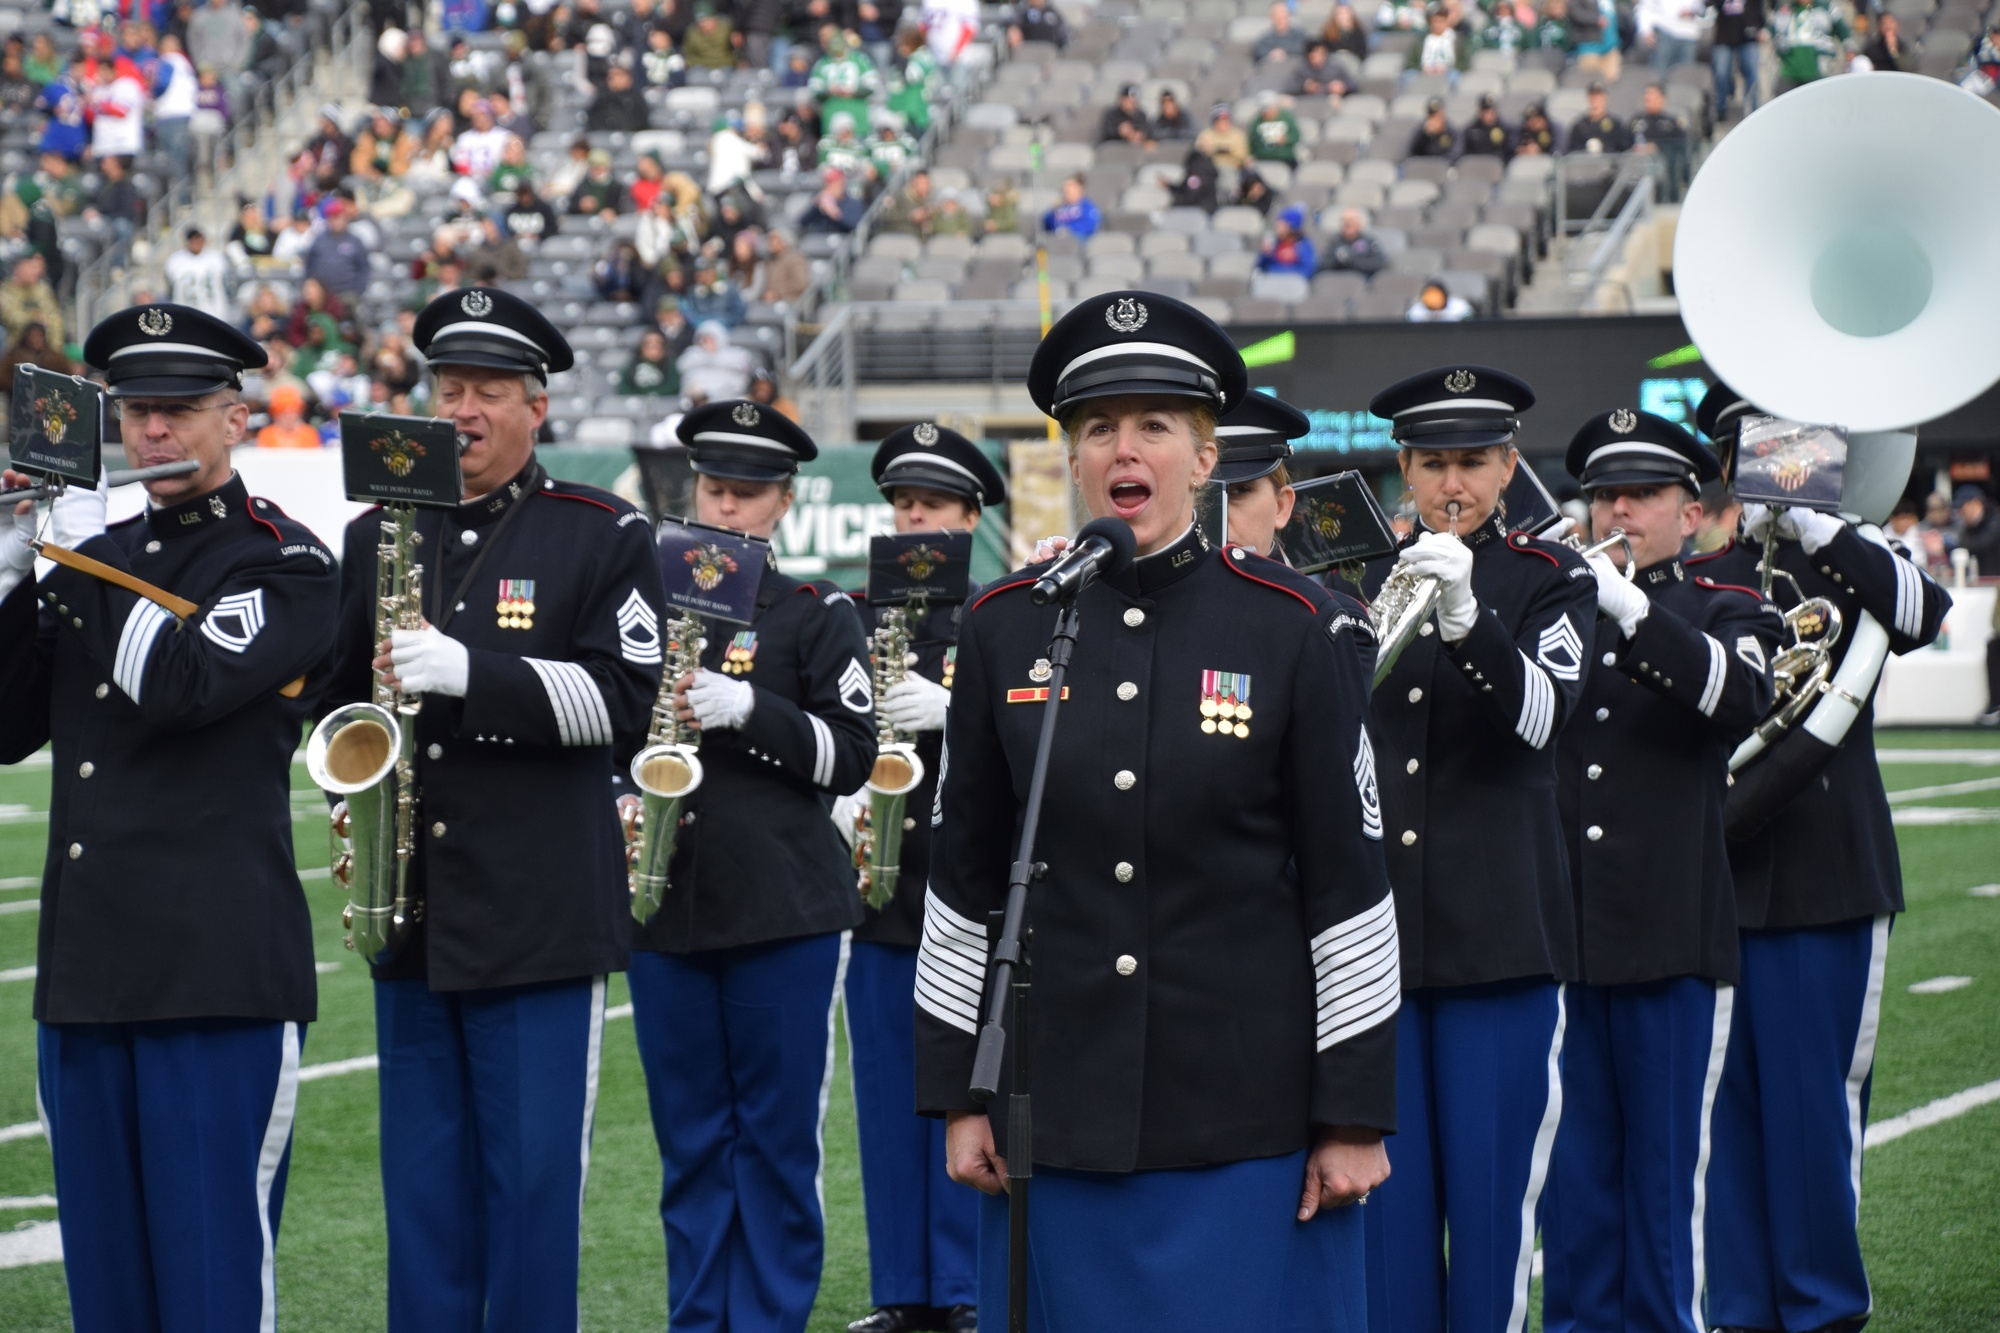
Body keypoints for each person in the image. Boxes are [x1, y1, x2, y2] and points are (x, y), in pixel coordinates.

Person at [919, 291, 1396, 1333]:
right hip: (1057, 1111)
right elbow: (962, 876)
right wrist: (960, 1092)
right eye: (1096, 428)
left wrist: (1352, 1114)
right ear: (1072, 457)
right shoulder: (1005, 628)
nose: (1120, 448)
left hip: (1247, 1109)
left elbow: (1349, 889)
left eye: (1152, 426)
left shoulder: (1293, 627)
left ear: (1203, 453)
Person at [320, 286, 664, 1331]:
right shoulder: (379, 532)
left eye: (486, 391)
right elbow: (337, 697)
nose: (460, 409)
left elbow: (625, 703)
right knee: (422, 1198)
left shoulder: (599, 532)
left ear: (536, 408)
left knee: (529, 1197)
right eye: (446, 388)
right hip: (412, 914)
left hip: (537, 918)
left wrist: (474, 669)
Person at [0, 302, 338, 1332]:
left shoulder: (284, 563)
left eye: (180, 410)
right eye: (137, 411)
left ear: (235, 419)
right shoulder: (89, 557)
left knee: (209, 1285)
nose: (154, 432)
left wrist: (75, 557)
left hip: (214, 976)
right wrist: (15, 567)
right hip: (89, 973)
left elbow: (187, 681)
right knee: (109, 1293)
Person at [1688, 381, 1949, 1333]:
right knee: (1725, 1119)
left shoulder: (1852, 560)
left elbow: (1926, 611)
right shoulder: (1708, 568)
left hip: (1824, 878)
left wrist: (1817, 528)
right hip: (1715, 879)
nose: (1767, 473)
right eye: (1753, 457)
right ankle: (1742, 1312)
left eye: (1788, 455)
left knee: (1809, 1115)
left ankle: (1823, 1312)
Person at [623, 398, 875, 1333]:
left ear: (784, 502)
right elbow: (611, 724)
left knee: (773, 1142)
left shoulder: (816, 614)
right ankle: (698, 1319)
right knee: (688, 1142)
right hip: (665, 904)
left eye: (749, 494)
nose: (727, 510)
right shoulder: (641, 606)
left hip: (783, 912)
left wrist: (749, 711)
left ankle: (768, 1319)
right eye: (715, 489)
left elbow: (854, 754)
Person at [1356, 365, 1596, 1333]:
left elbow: (1542, 718)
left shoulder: (1550, 578)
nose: (1450, 484)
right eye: (1430, 464)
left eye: (1470, 462)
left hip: (1499, 943)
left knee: (1492, 1214)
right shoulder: (1361, 580)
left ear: (1506, 468)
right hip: (1378, 948)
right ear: (1402, 471)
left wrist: (1466, 619)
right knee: (1389, 1215)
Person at [1540, 409, 1784, 1332]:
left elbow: (1743, 694)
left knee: (1662, 1187)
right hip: (1567, 938)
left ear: (1692, 514)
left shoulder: (1723, 606)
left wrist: (1635, 612)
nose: (1619, 509)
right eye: (1606, 492)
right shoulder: (1553, 607)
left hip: (1671, 939)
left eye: (1642, 494)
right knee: (1574, 1190)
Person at [835, 425, 1008, 1333]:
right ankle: (903, 1288)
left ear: (970, 518)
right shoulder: (854, 618)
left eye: (933, 506)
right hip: (877, 893)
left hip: (967, 900)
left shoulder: (995, 618)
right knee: (887, 1099)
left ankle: (966, 1283)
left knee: (964, 1098)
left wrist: (958, 710)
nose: (914, 519)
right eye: (903, 504)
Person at [1770, 0, 1848, 92]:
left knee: (1818, 102)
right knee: (1783, 102)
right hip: (1788, 70)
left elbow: (1843, 31)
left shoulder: (1825, 7)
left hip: (1818, 70)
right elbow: (1770, 29)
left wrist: (1849, 49)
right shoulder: (1784, 9)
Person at [1629, 82, 1689, 199]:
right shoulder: (1636, 121)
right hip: (1638, 169)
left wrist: (1657, 147)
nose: (1648, 97)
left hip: (1664, 172)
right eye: (1646, 94)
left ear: (1662, 99)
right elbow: (1624, 143)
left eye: (1652, 94)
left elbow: (1681, 150)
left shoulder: (1672, 124)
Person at [1709, 0, 1765, 119]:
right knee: (1721, 73)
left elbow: (1761, 8)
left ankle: (1753, 112)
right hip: (1724, 35)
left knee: (1752, 74)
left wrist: (1760, 28)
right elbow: (1710, 6)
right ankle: (1721, 110)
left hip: (1749, 36)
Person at [163, 226, 231, 319]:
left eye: (199, 239)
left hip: (214, 312)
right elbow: (170, 289)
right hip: (185, 312)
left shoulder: (217, 258)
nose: (197, 243)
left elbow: (227, 286)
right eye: (193, 239)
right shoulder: (175, 260)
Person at [1635, 0, 1703, 69]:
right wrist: (1645, 30)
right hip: (1664, 32)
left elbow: (1703, 8)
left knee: (1685, 74)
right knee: (1659, 72)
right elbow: (1645, 7)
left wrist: (1693, 11)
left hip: (1689, 35)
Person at [1320, 208, 1388, 275]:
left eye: (1351, 221)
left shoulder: (1369, 242)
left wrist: (1354, 260)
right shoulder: (1334, 242)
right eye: (1345, 221)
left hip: (1362, 280)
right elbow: (1323, 265)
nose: (1348, 224)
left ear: (1359, 223)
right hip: (1339, 280)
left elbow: (1379, 263)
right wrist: (1338, 260)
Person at [1568, 83, 1631, 153]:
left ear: (1605, 99)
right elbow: (1573, 150)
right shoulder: (1580, 126)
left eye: (1599, 97)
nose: (1595, 101)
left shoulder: (1616, 125)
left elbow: (1622, 149)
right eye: (1592, 97)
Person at [255, 381, 322, 447]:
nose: (289, 417)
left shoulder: (310, 433)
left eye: (293, 412)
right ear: (275, 415)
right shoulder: (266, 434)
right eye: (283, 413)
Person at [1257, 204, 1318, 276]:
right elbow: (1260, 267)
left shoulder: (1304, 245)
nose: (1277, 227)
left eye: (1281, 224)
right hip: (1272, 281)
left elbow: (1308, 270)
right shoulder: (1274, 243)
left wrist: (1285, 272)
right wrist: (1266, 255)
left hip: (1293, 282)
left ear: (1291, 226)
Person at [1408, 4, 1469, 73]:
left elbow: (1464, 63)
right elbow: (1411, 63)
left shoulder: (1458, 39)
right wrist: (1423, 68)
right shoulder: (1421, 40)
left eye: (1441, 21)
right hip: (1423, 73)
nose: (1437, 24)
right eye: (1434, 21)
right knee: (1409, 74)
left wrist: (1446, 68)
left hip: (1448, 72)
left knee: (1454, 74)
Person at [1041, 174, 1101, 241]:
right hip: (1058, 243)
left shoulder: (1088, 208)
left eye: (1070, 186)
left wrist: (1068, 230)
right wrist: (1052, 209)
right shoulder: (1059, 208)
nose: (1066, 189)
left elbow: (1089, 226)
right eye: (1065, 186)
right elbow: (1047, 223)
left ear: (1080, 188)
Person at [1251, 95, 1304, 165]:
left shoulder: (1287, 118)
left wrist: (1286, 139)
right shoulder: (1257, 122)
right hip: (1263, 158)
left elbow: (1296, 135)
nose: (1267, 113)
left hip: (1284, 157)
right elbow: (1252, 140)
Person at [1196, 103, 1251, 169]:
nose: (1223, 124)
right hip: (1212, 169)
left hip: (1234, 168)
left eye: (1225, 121)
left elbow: (1243, 155)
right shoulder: (1206, 135)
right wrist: (1211, 149)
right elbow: (1198, 151)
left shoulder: (1238, 135)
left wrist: (1229, 151)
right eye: (1220, 121)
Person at [1459, 93, 1511, 160]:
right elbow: (1463, 154)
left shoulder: (1506, 129)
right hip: (1476, 165)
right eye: (1485, 111)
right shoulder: (1470, 130)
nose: (1488, 114)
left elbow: (1510, 152)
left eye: (1491, 110)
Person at [1405, 279, 1473, 321]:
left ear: (1444, 296)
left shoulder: (1459, 308)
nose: (1433, 299)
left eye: (1436, 295)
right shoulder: (1416, 311)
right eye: (1429, 295)